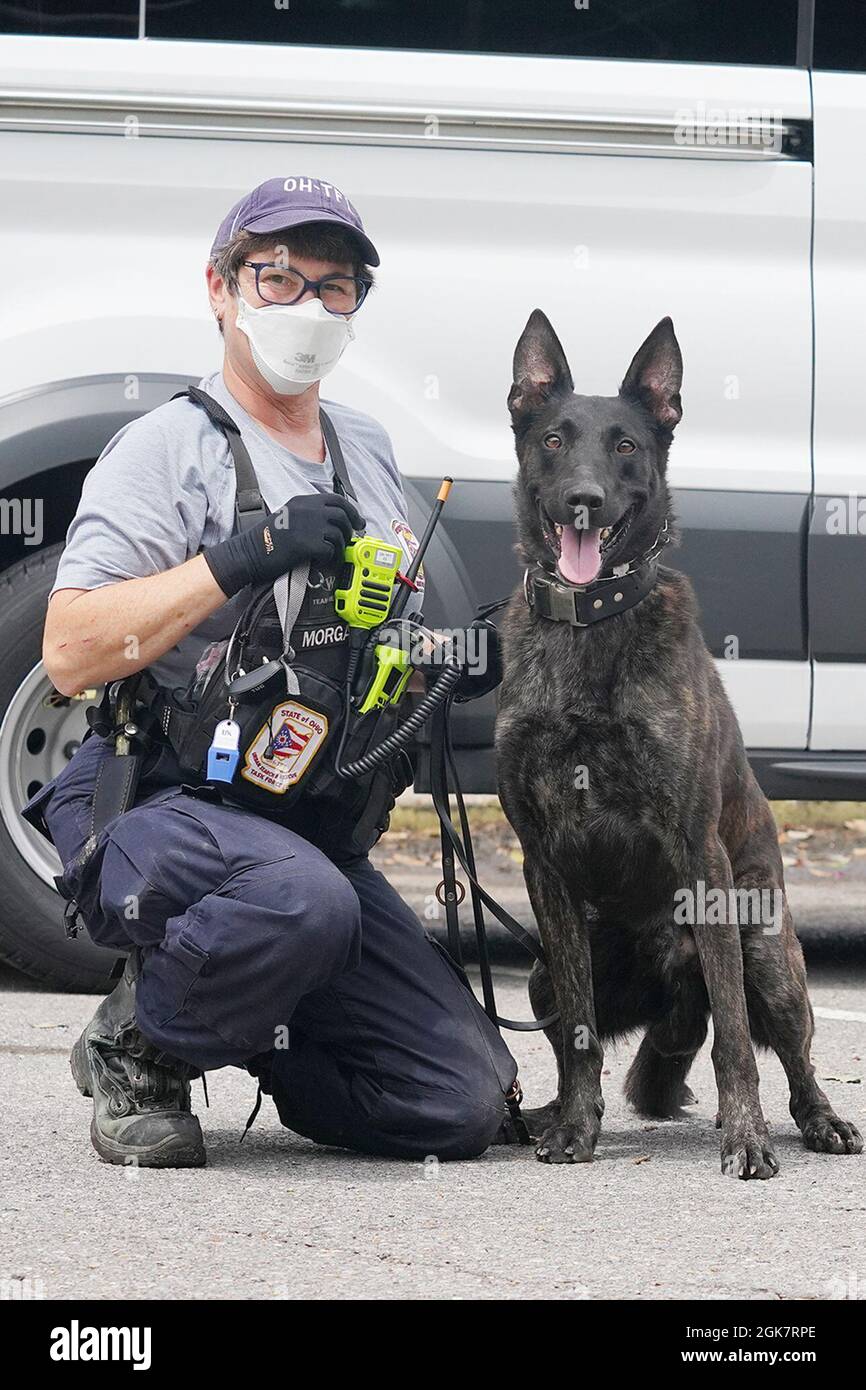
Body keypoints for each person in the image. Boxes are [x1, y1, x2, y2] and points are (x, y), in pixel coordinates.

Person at [23, 176, 517, 1169]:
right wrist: (237, 559)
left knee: (458, 1104)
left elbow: (378, 640)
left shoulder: (365, 452)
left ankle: (246, 1013)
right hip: (158, 805)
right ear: (220, 288)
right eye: (278, 277)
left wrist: (448, 662)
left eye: (334, 288)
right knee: (302, 902)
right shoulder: (164, 449)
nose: (307, 308)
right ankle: (139, 1043)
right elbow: (69, 651)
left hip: (305, 830)